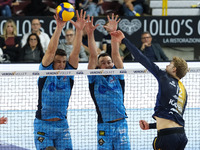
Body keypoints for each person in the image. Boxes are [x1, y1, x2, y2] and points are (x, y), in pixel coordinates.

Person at [111, 30, 188, 150]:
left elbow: (141, 58)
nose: (167, 65)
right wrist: (150, 126)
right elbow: (172, 118)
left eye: (170, 64)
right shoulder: (183, 90)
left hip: (167, 137)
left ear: (174, 70)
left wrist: (124, 40)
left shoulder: (164, 77)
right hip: (181, 136)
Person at [33, 10, 86, 150]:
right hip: (43, 124)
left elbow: (75, 53)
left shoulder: (68, 73)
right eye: (58, 62)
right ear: (52, 63)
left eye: (64, 62)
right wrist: (59, 27)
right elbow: (50, 52)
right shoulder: (45, 72)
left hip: (62, 125)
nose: (62, 65)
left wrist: (79, 31)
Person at [86, 14, 131, 149]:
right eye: (103, 63)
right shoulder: (94, 77)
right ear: (99, 66)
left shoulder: (118, 75)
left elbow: (116, 54)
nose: (107, 65)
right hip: (104, 125)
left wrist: (113, 33)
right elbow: (93, 55)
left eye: (109, 62)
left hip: (121, 124)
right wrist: (89, 34)